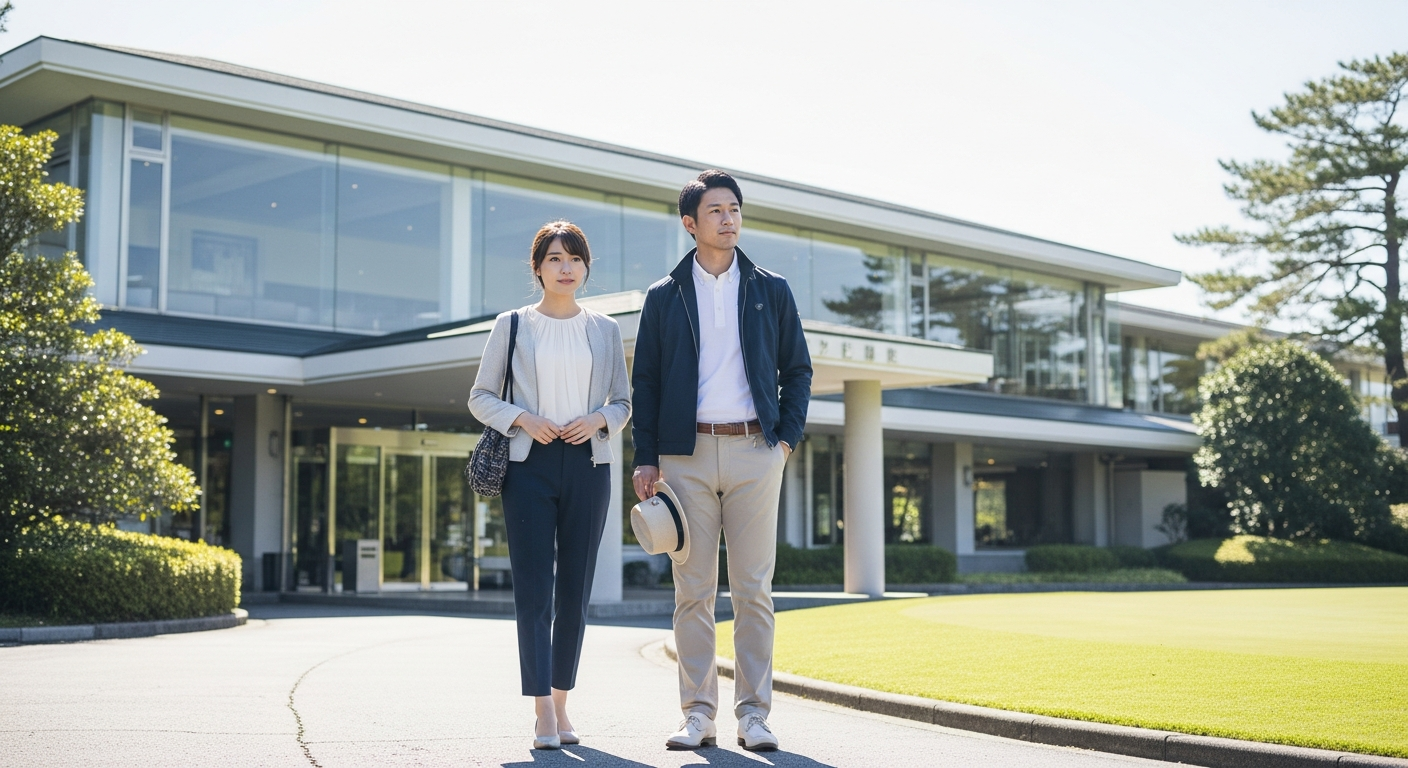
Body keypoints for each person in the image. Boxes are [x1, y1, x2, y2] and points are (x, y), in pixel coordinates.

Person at [631, 170, 812, 752]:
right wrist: (645, 457)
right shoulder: (663, 295)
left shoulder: (770, 288)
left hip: (757, 450)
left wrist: (784, 440)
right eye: (716, 211)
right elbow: (648, 381)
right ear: (691, 223)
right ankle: (698, 715)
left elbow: (798, 370)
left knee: (755, 589)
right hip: (684, 458)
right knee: (694, 590)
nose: (729, 218)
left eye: (735, 208)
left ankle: (754, 715)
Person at [469, 220, 631, 751]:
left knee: (576, 590)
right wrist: (522, 419)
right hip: (528, 466)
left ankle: (562, 701)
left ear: (586, 268)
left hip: (589, 464)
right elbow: (480, 397)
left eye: (576, 259)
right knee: (535, 591)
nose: (567, 268)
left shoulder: (605, 329)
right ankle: (541, 709)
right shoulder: (511, 325)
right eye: (556, 259)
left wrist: (600, 419)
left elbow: (624, 403)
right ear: (537, 268)